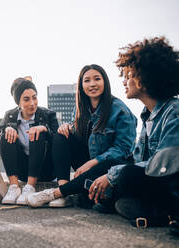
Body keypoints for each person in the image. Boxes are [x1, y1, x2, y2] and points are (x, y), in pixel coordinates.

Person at [89, 37, 179, 235]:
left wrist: (113, 176)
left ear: (145, 77)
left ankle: (170, 212)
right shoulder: (147, 115)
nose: (124, 81)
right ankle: (155, 211)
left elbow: (163, 166)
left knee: (124, 176)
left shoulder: (176, 112)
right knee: (117, 170)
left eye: (128, 75)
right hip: (160, 182)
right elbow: (141, 161)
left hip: (176, 185)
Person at [26, 64, 137, 208]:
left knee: (111, 163)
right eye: (87, 80)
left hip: (107, 166)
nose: (92, 84)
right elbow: (80, 136)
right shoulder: (80, 108)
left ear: (105, 82)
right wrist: (68, 127)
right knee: (60, 135)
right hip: (87, 163)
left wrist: (93, 162)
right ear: (81, 85)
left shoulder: (120, 111)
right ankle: (64, 187)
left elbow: (124, 150)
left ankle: (57, 193)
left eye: (97, 79)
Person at [0, 77, 59, 205]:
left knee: (37, 132)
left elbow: (60, 142)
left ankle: (30, 187)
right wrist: (6, 129)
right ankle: (14, 188)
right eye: (26, 99)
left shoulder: (48, 114)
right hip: (22, 171)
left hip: (45, 169)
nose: (32, 103)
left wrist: (44, 129)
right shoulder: (9, 115)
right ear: (18, 102)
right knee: (7, 134)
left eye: (35, 97)